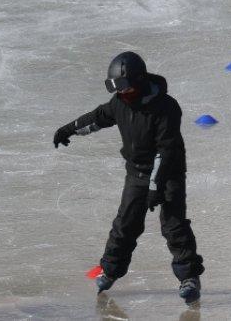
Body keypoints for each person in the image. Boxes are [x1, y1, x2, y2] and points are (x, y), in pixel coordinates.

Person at [53, 52, 204, 304]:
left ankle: (189, 278)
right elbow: (98, 118)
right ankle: (110, 270)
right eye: (118, 89)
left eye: (126, 88)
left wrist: (156, 186)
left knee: (174, 226)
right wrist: (68, 130)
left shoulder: (166, 107)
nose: (123, 93)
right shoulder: (120, 103)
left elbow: (166, 150)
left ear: (140, 80)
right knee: (125, 225)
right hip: (137, 173)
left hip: (168, 173)